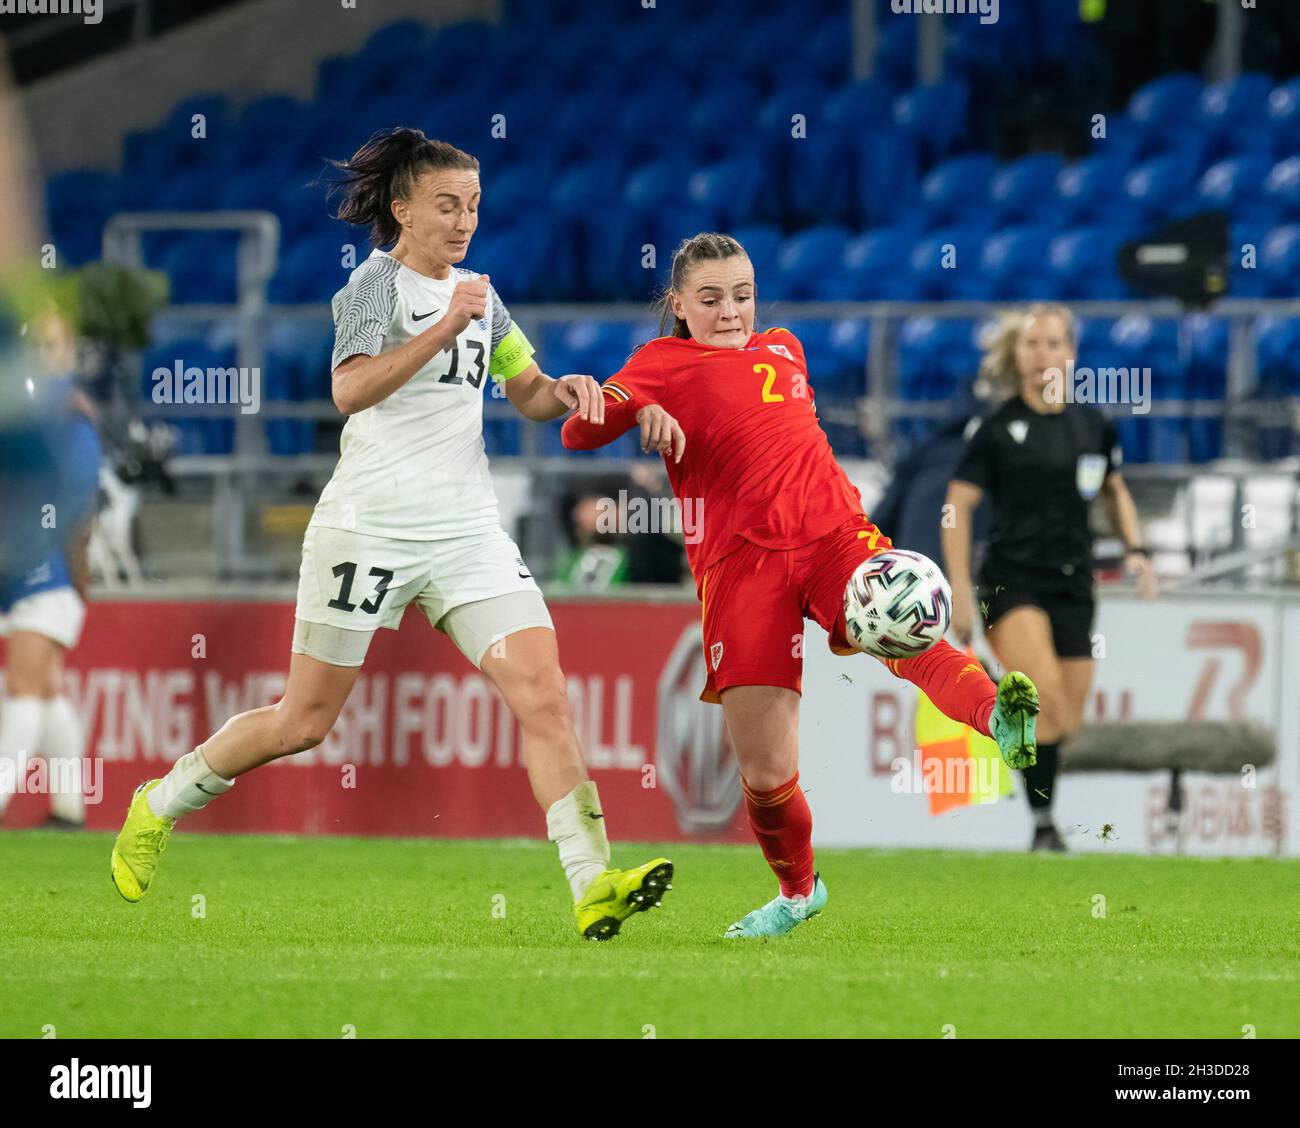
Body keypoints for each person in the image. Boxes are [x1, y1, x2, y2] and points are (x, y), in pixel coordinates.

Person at [110, 129, 671, 940]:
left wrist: (571, 389)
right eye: (447, 205)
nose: (464, 220)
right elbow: (350, 389)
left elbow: (526, 391)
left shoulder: (482, 296)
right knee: (304, 723)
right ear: (403, 209)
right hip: (366, 528)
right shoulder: (371, 290)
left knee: (544, 695)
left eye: (474, 205)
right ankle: (159, 803)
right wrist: (444, 327)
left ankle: (592, 884)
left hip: (465, 530)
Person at [562, 232, 1041, 938]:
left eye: (743, 296)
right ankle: (798, 892)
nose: (731, 312)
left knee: (904, 627)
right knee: (764, 770)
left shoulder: (786, 348)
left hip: (831, 535)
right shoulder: (660, 364)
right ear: (679, 305)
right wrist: (635, 408)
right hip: (741, 569)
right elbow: (578, 431)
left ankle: (993, 716)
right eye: (712, 299)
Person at [943, 303, 1156, 851]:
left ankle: (1042, 822)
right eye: (1031, 344)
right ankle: (1041, 823)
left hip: (1073, 584)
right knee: (1047, 704)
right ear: (1017, 354)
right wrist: (961, 590)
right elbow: (957, 506)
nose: (1042, 355)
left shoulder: (1093, 424)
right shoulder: (994, 429)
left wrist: (1136, 550)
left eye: (1053, 343)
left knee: (1064, 723)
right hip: (1011, 583)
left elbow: (1115, 491)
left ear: (1071, 353)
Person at [0, 301, 100, 829]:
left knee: (24, 687)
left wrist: (76, 571)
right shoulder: (36, 412)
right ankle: (69, 808)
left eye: (52, 344)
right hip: (26, 574)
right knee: (46, 687)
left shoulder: (65, 418)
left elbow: (76, 508)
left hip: (43, 575)